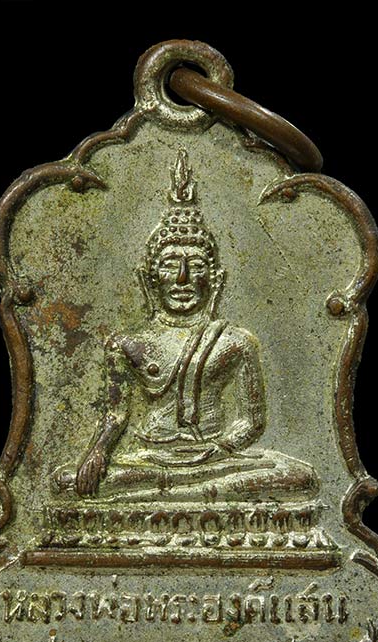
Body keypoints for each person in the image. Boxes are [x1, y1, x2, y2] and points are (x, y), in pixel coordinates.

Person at [53, 150, 317, 503]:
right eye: (169, 265)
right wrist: (98, 452)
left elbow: (252, 421)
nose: (182, 278)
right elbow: (115, 416)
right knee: (66, 481)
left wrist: (220, 449)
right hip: (150, 457)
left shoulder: (235, 342)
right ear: (149, 278)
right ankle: (191, 494)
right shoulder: (127, 344)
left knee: (299, 477)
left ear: (215, 279)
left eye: (195, 265)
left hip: (216, 458)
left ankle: (173, 493)